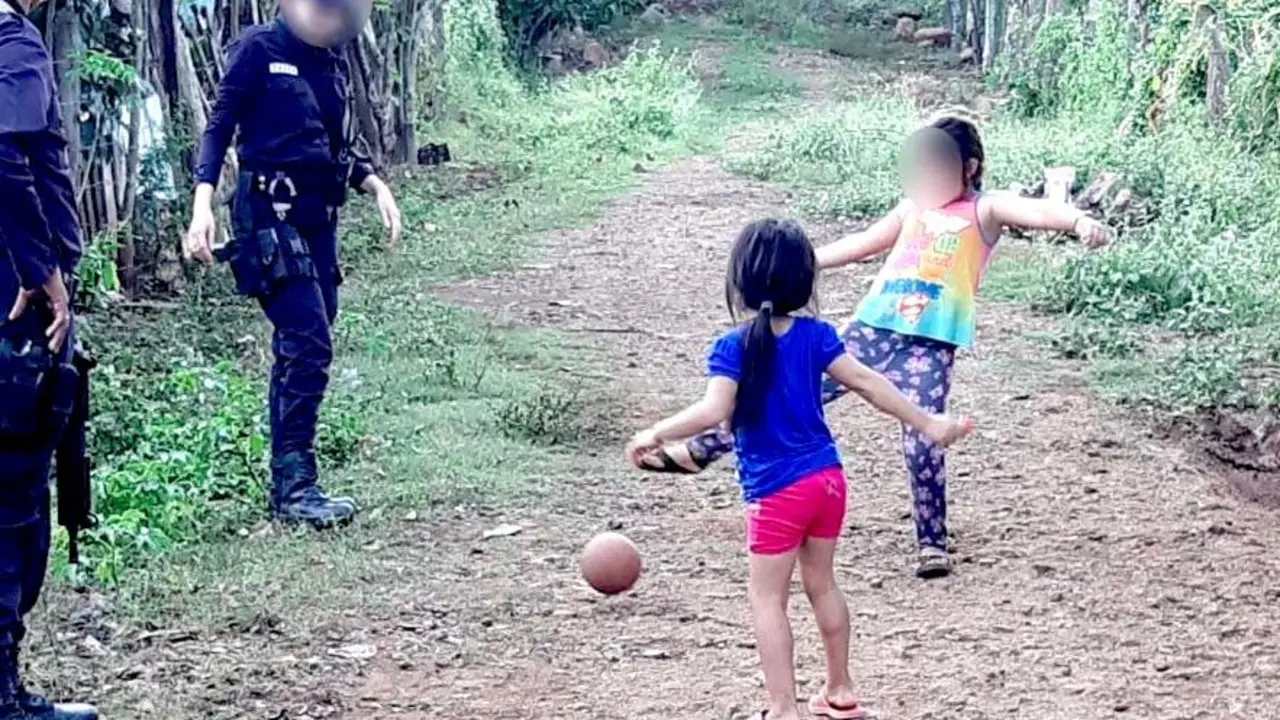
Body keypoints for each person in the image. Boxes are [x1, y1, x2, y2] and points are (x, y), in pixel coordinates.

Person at [636, 113, 1113, 579]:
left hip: (930, 346)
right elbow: (863, 243)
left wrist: (1077, 221)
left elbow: (1037, 211)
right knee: (777, 389)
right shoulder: (912, 208)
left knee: (922, 436)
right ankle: (700, 449)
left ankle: (931, 539)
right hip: (871, 329)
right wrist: (797, 264)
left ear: (968, 167)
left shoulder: (983, 210)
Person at [625, 219, 973, 720]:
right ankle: (841, 689)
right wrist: (929, 424)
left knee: (768, 601)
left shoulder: (734, 345)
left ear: (739, 282)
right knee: (822, 585)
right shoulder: (817, 336)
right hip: (827, 482)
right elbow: (870, 384)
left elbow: (712, 411)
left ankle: (783, 709)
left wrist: (656, 432)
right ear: (805, 281)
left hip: (775, 493)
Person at [183, 0, 403, 529]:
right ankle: (296, 489)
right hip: (268, 214)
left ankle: (288, 483)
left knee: (308, 337)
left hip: (317, 220)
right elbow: (219, 127)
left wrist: (374, 184)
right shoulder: (258, 49)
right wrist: (202, 205)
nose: (332, 20)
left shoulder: (332, 61)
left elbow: (331, 145)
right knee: (307, 340)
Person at [0, 0, 99, 718]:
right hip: (12, 299)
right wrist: (44, 271)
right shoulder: (14, 42)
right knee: (12, 495)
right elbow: (5, 150)